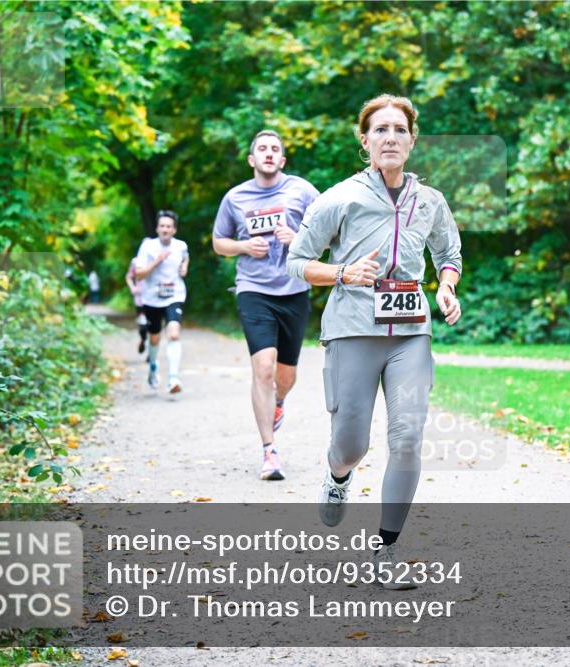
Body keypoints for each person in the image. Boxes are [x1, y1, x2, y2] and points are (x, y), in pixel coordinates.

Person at [287, 94, 462, 587]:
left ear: (412, 140)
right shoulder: (339, 196)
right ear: (365, 141)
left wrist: (446, 287)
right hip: (352, 331)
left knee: (407, 439)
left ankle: (385, 550)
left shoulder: (430, 200)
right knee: (350, 444)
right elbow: (297, 262)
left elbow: (449, 251)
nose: (390, 137)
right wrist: (342, 271)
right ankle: (337, 476)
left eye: (399, 130)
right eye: (380, 130)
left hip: (411, 334)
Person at [212, 130, 320, 481]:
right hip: (254, 289)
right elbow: (218, 242)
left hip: (294, 288)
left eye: (275, 149)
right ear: (252, 159)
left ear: (283, 160)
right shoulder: (235, 197)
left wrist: (299, 238)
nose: (269, 153)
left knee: (285, 377)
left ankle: (278, 402)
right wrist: (245, 247)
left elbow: (328, 229)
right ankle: (269, 452)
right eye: (262, 148)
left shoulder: (302, 191)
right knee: (264, 368)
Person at [135, 211, 189, 394]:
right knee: (155, 338)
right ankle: (152, 366)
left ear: (174, 230)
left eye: (169, 226)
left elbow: (185, 257)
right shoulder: (147, 246)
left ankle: (173, 379)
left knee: (174, 334)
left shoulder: (181, 246)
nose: (165, 229)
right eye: (162, 226)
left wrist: (184, 267)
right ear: (157, 228)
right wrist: (156, 262)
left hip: (174, 295)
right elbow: (139, 274)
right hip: (151, 297)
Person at [124, 255, 149, 355]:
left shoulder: (157, 259)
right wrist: (132, 288)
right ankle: (143, 339)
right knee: (143, 325)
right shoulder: (135, 261)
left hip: (155, 300)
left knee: (154, 326)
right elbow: (129, 277)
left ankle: (151, 353)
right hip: (140, 299)